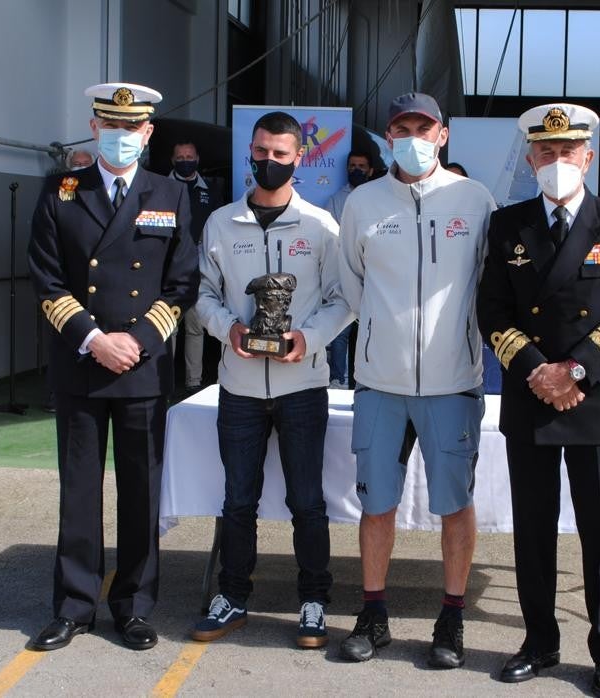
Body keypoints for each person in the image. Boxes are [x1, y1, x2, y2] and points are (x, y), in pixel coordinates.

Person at [477, 103, 600, 698]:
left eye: (567, 152)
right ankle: (539, 641)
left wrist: (574, 370)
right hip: (531, 395)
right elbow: (492, 309)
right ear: (531, 158)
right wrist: (537, 370)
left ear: (588, 157)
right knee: (532, 529)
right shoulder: (509, 225)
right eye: (545, 153)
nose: (556, 162)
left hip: (597, 399)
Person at [26, 82, 198, 652]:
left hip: (141, 368)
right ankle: (74, 606)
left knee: (141, 490)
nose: (123, 137)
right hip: (81, 362)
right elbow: (47, 279)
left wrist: (137, 340)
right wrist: (95, 338)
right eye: (112, 127)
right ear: (96, 128)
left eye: (134, 129)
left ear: (149, 134)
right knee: (78, 489)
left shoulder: (169, 194)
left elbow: (180, 284)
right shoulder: (60, 192)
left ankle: (133, 606)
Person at [337, 92, 495, 668]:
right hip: (380, 380)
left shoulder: (475, 200)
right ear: (386, 136)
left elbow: (488, 284)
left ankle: (450, 618)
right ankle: (372, 612)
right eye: (401, 128)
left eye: (423, 128)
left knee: (456, 503)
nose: (412, 138)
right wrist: (383, 334)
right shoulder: (363, 201)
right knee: (377, 503)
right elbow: (350, 282)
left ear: (443, 135)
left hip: (454, 382)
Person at [190, 111, 352, 648]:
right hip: (238, 384)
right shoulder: (220, 224)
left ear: (299, 158)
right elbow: (203, 295)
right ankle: (233, 595)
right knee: (239, 499)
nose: (269, 162)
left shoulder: (321, 228)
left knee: (308, 501)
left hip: (301, 385)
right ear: (250, 152)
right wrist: (227, 329)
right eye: (261, 152)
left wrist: (309, 338)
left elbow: (344, 300)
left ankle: (313, 602)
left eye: (281, 154)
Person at [169, 141, 218, 396]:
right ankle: (165, 379)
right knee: (168, 327)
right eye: (180, 156)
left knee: (195, 327)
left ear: (197, 158)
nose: (185, 160)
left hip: (199, 269)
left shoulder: (211, 190)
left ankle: (193, 381)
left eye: (189, 156)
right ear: (172, 159)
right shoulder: (160, 187)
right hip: (167, 270)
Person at [323, 152, 374, 388]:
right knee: (341, 329)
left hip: (373, 273)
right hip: (344, 270)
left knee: (369, 330)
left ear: (370, 170)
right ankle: (338, 379)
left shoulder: (379, 197)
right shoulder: (335, 199)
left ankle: (363, 380)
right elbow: (334, 236)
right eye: (353, 166)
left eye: (361, 166)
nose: (357, 170)